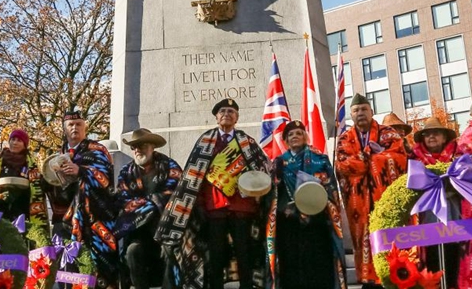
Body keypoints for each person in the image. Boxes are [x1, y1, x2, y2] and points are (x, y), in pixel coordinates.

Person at [155, 98, 270, 289]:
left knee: (245, 255)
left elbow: (262, 171)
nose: (227, 114)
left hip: (242, 209)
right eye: (222, 111)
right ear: (216, 117)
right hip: (214, 208)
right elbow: (193, 177)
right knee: (216, 256)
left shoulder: (247, 142)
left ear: (237, 117)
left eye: (231, 112)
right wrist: (199, 205)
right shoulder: (205, 141)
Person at [335, 93, 407, 286]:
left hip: (385, 199)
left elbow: (399, 158)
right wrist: (372, 156)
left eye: (364, 109)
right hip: (359, 203)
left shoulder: (388, 133)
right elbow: (343, 166)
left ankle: (392, 278)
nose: (360, 113)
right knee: (362, 241)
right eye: (356, 110)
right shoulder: (344, 139)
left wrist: (371, 160)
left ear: (372, 112)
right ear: (351, 115)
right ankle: (367, 280)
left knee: (391, 240)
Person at [42, 110, 118, 289]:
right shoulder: (55, 156)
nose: (74, 128)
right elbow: (48, 186)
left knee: (101, 273)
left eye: (78, 124)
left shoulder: (97, 150)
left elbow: (106, 178)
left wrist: (81, 171)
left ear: (85, 128)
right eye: (70, 125)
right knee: (65, 271)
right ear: (64, 129)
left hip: (96, 221)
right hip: (64, 221)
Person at [268, 121, 347, 289]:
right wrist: (286, 208)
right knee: (291, 264)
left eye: (298, 133)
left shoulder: (320, 159)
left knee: (318, 263)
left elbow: (332, 188)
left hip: (317, 221)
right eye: (290, 135)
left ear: (305, 137)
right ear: (285, 140)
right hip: (289, 222)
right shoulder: (279, 163)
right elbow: (273, 193)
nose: (295, 136)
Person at [114, 129, 182, 289]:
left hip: (166, 230)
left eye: (142, 145)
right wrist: (151, 203)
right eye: (134, 147)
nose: (137, 150)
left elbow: (174, 193)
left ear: (152, 147)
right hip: (138, 231)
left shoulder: (169, 166)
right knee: (131, 252)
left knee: (170, 253)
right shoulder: (126, 172)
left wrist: (144, 204)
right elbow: (123, 199)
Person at [408, 117, 462, 286]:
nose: (431, 137)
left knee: (454, 253)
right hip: (427, 214)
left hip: (453, 213)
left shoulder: (458, 155)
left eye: (436, 133)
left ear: (445, 137)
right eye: (427, 134)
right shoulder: (414, 158)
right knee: (431, 256)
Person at [0, 129, 48, 228]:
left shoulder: (30, 163)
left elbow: (36, 188)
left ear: (25, 144)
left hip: (22, 209)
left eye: (19, 141)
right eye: (13, 139)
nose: (15, 143)